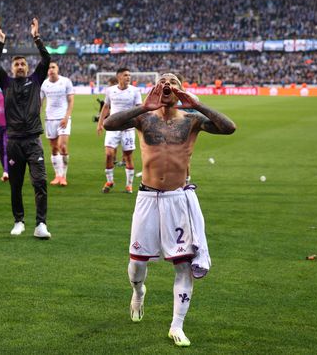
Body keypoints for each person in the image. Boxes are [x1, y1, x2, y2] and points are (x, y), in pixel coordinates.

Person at [103, 73, 236, 347]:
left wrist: (196, 104)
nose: (167, 85)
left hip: (178, 199)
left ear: (181, 90)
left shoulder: (191, 121)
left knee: (183, 265)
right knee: (137, 264)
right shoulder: (143, 119)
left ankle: (177, 325)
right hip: (147, 197)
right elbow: (109, 124)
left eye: (173, 82)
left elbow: (229, 127)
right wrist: (144, 105)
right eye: (162, 81)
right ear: (154, 88)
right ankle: (138, 291)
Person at [0, 18, 51, 239]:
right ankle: (19, 221)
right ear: (12, 68)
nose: (19, 66)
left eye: (23, 64)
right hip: (14, 141)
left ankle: (41, 224)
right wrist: (1, 43)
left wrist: (36, 37)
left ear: (27, 67)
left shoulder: (36, 80)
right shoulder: (5, 83)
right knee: (15, 185)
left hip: (33, 141)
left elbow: (46, 58)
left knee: (40, 182)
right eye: (16, 64)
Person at [96, 68, 143, 194]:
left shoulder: (135, 91)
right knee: (109, 154)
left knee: (128, 156)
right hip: (112, 128)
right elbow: (106, 107)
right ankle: (110, 181)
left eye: (129, 75)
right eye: (125, 75)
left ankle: (129, 185)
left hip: (128, 129)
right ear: (119, 77)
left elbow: (139, 109)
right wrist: (100, 123)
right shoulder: (110, 90)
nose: (128, 77)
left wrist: (140, 125)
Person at [40, 62, 74, 187]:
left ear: (57, 69)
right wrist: (37, 118)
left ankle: (64, 176)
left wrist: (67, 116)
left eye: (53, 67)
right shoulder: (44, 84)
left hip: (63, 119)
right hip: (49, 119)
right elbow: (40, 102)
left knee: (62, 146)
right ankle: (57, 175)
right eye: (49, 67)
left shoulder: (66, 82)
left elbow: (71, 101)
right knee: (54, 148)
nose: (51, 69)